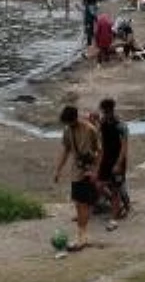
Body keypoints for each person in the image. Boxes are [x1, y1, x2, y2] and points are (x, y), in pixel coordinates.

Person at [53, 105, 101, 252]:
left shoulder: (89, 129)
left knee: (84, 204)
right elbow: (66, 150)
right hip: (76, 171)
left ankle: (82, 236)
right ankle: (82, 235)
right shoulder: (68, 130)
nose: (68, 125)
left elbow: (99, 151)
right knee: (78, 203)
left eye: (70, 122)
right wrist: (58, 170)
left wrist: (95, 171)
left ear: (75, 118)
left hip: (88, 171)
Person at [95, 98, 130, 228]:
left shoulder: (121, 125)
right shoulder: (103, 123)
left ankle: (114, 216)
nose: (104, 113)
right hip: (105, 158)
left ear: (110, 110)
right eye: (103, 111)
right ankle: (119, 205)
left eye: (105, 111)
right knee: (99, 185)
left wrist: (118, 163)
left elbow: (124, 147)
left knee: (116, 188)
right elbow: (100, 141)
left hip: (117, 159)